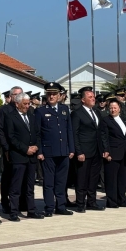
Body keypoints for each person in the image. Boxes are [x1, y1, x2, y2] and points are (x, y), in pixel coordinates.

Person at [35, 82, 75, 216]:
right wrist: (39, 151)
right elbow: (38, 133)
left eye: (54, 94)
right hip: (49, 152)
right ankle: (49, 207)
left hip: (63, 151)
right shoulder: (40, 111)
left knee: (61, 181)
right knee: (49, 182)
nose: (51, 96)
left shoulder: (64, 109)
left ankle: (61, 206)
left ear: (59, 95)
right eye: (49, 94)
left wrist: (71, 149)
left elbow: (69, 130)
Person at [4, 93, 42, 220]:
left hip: (32, 157)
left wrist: (36, 146)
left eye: (28, 103)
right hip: (19, 156)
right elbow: (11, 137)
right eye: (24, 104)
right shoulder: (11, 117)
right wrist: (25, 149)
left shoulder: (31, 116)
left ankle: (31, 209)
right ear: (17, 104)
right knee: (16, 186)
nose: (27, 106)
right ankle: (14, 211)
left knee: (30, 185)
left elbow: (37, 133)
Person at [70, 86, 108, 212]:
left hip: (97, 150)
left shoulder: (96, 112)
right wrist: (78, 151)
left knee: (93, 178)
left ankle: (92, 202)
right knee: (82, 178)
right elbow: (74, 133)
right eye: (90, 97)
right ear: (83, 100)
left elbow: (102, 132)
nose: (93, 99)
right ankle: (80, 203)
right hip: (84, 152)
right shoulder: (77, 113)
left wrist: (105, 148)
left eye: (93, 97)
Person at [101, 98, 126, 208]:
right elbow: (104, 137)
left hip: (124, 153)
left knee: (122, 179)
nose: (113, 110)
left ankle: (122, 200)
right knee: (111, 179)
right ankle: (112, 201)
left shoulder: (124, 120)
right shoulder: (106, 120)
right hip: (113, 153)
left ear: (119, 109)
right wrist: (106, 151)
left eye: (115, 108)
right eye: (111, 108)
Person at [0, 87, 22, 214]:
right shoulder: (4, 110)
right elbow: (0, 130)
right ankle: (5, 203)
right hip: (8, 149)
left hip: (21, 150)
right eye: (16, 95)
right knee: (7, 176)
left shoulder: (24, 108)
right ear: (11, 96)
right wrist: (5, 148)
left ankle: (19, 203)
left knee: (19, 178)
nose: (18, 97)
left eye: (20, 94)